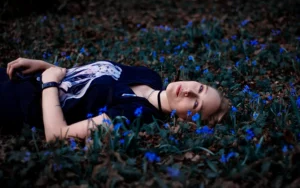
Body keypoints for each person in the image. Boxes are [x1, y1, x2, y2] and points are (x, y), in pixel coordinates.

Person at [1, 57, 230, 141]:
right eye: (200, 87)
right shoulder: (149, 76)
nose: (190, 91)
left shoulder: (138, 115)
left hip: (15, 104)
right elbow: (82, 80)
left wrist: (49, 82)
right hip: (20, 78)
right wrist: (46, 67)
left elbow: (57, 135)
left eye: (196, 103)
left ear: (187, 121)